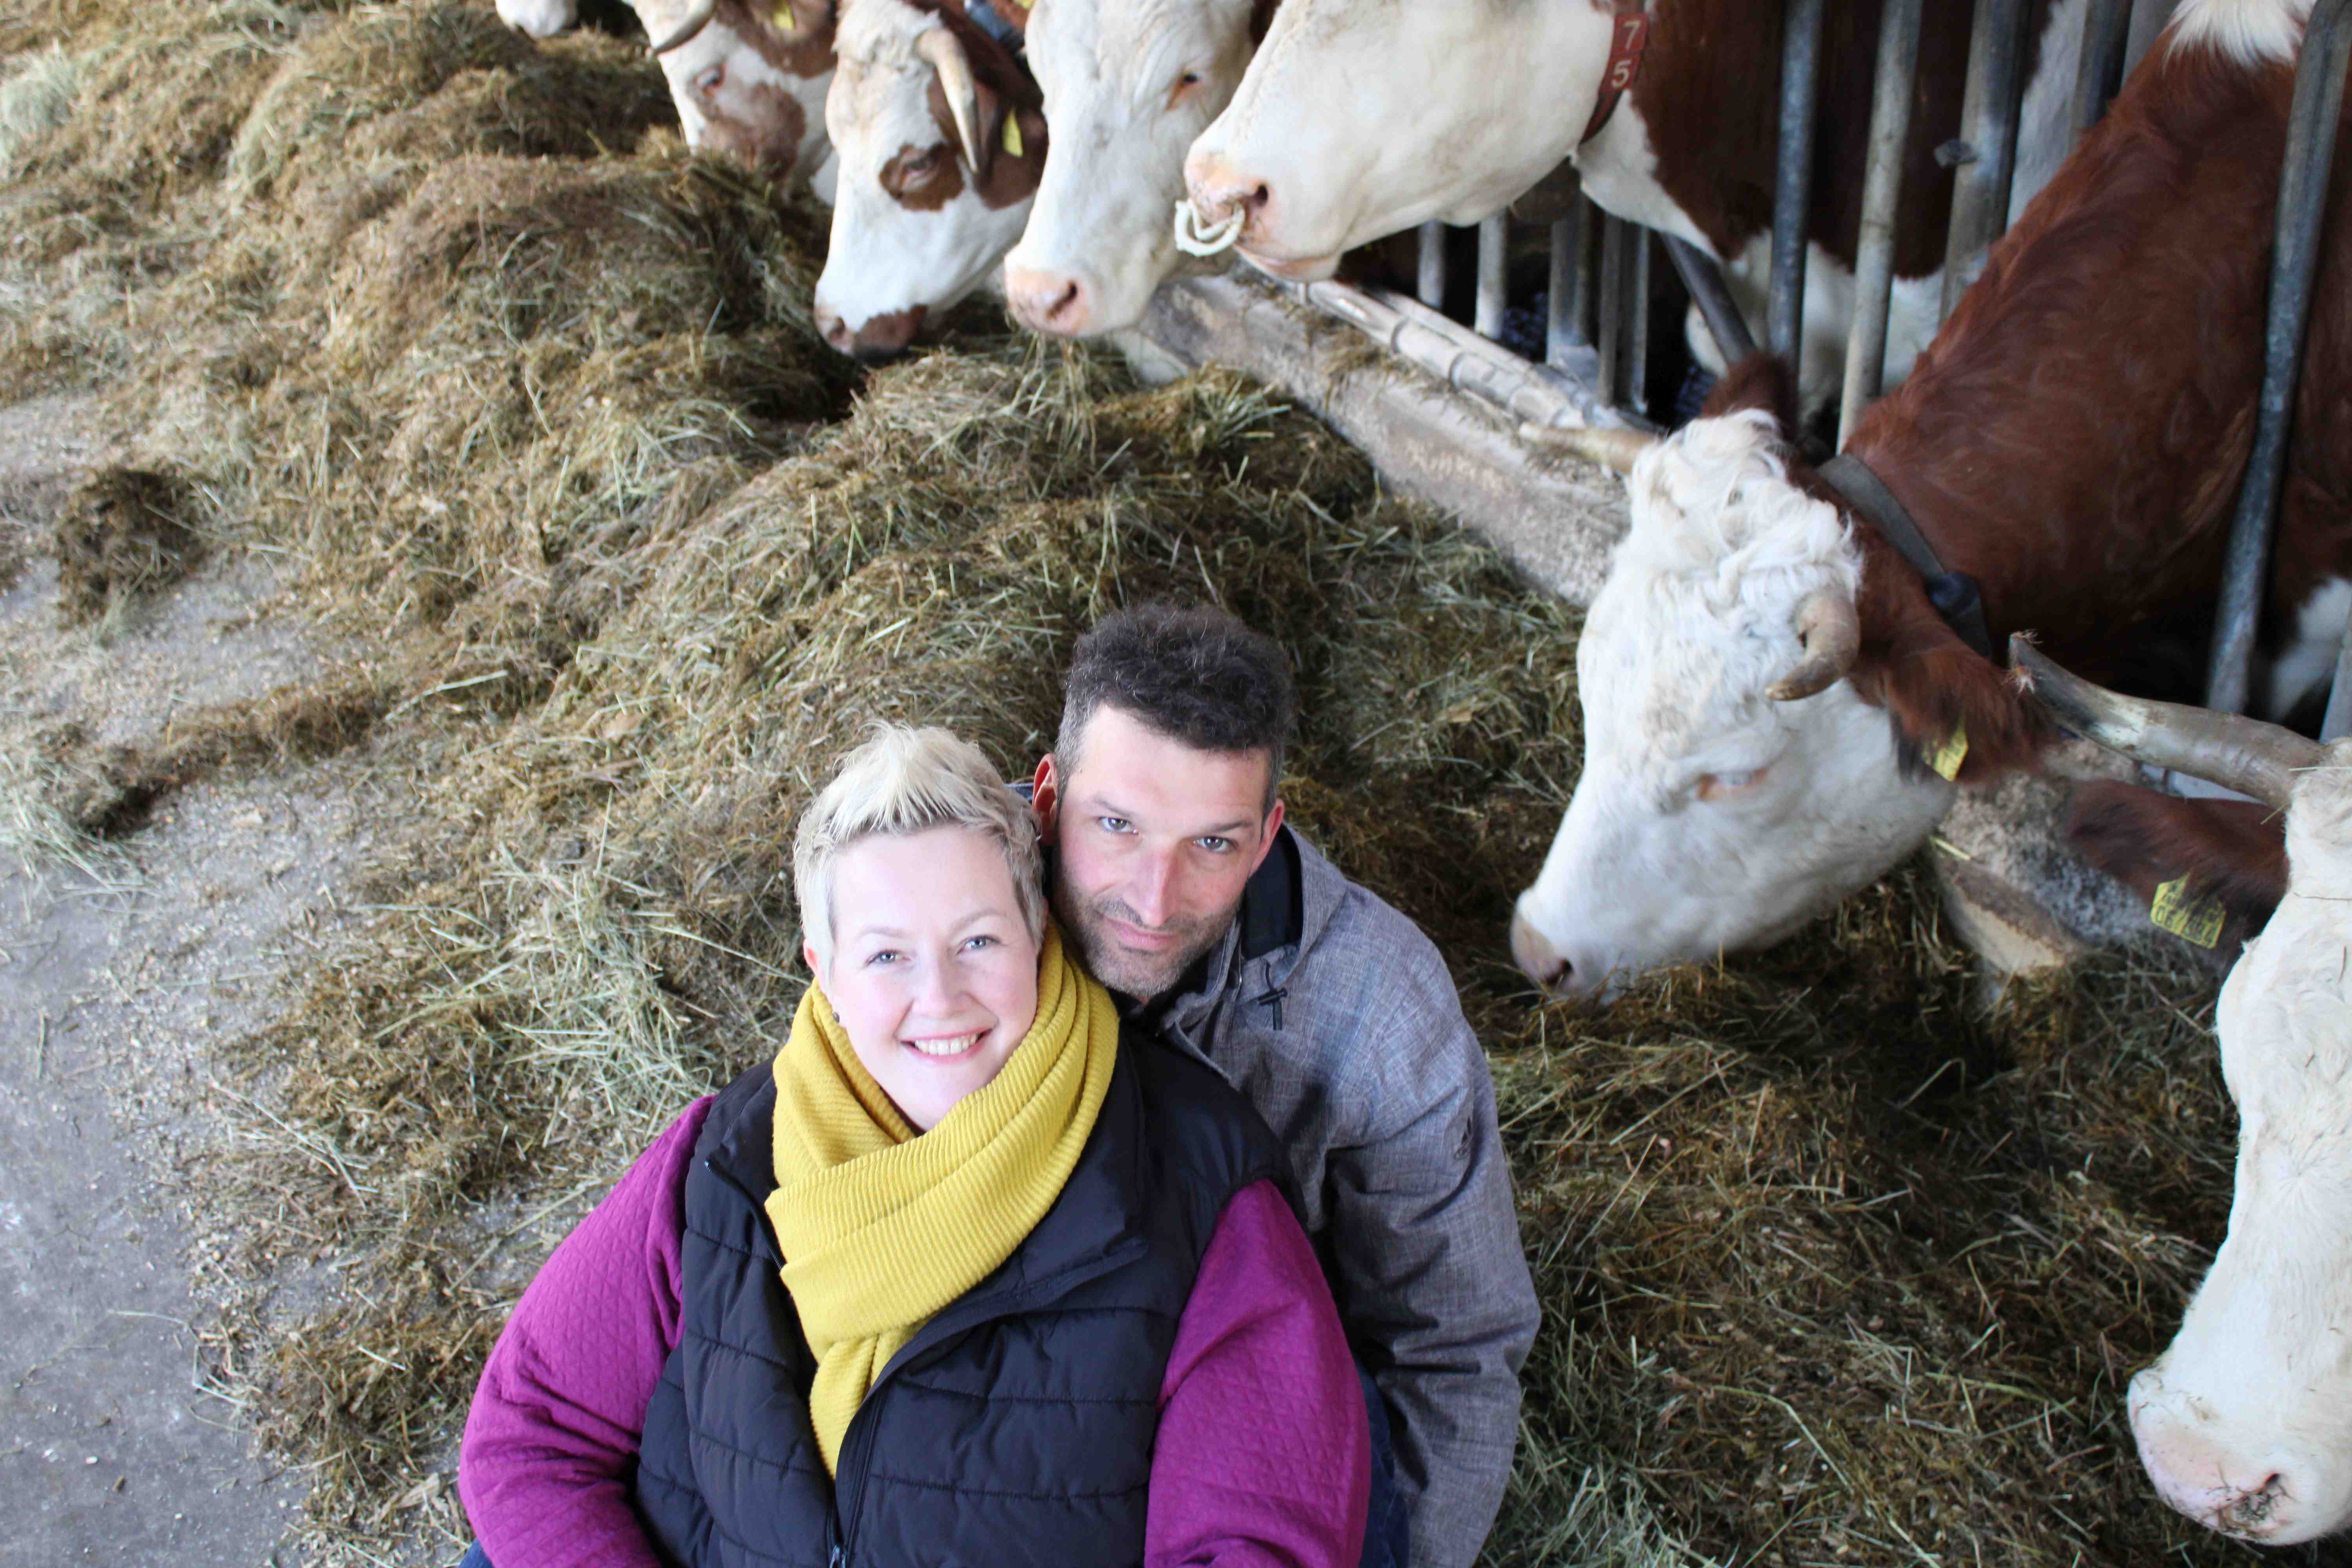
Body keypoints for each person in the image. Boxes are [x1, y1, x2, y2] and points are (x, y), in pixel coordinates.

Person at [458, 724, 1368, 1568]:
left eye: (977, 940)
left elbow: (1257, 1546)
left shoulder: (1201, 1192)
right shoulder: (724, 1159)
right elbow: (530, 1432)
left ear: (1038, 933)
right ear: (825, 970)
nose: (940, 998)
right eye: (887, 955)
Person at [1029, 604, 1541, 1568]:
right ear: (1050, 797)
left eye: (1213, 845)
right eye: (1117, 825)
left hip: (1237, 1385)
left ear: (1267, 838)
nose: (1152, 898)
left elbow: (1455, 1341)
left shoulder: (1383, 1010)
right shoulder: (950, 911)